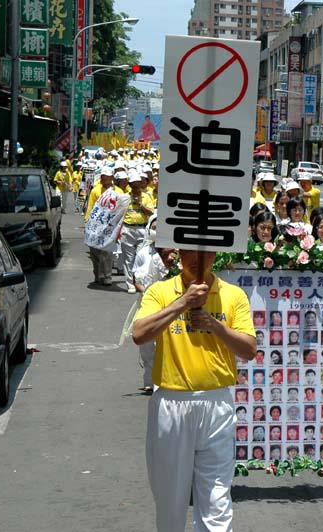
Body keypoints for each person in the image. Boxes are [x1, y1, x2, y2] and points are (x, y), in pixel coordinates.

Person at [132, 249, 257, 531]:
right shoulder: (160, 291)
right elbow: (139, 334)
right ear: (178, 252)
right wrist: (182, 303)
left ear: (216, 254)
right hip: (171, 403)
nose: (197, 258)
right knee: (170, 498)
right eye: (189, 250)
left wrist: (214, 325)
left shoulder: (233, 295)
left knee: (217, 497)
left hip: (217, 404)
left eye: (206, 251)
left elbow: (249, 349)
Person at [131, 214, 177, 393]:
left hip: (174, 309)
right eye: (155, 228)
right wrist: (148, 293)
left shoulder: (180, 258)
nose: (169, 258)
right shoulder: (146, 256)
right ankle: (150, 381)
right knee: (149, 347)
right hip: (151, 306)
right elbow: (137, 279)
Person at [85, 166, 124, 286]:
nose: (103, 178)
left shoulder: (119, 192)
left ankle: (107, 276)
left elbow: (122, 210)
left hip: (111, 226)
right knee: (94, 251)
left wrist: (120, 227)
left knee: (107, 251)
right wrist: (87, 222)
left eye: (106, 176)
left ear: (111, 178)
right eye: (102, 176)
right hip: (96, 225)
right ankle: (98, 275)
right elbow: (90, 207)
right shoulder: (95, 190)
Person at [121, 172, 155, 293]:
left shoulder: (146, 197)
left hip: (142, 229)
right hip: (127, 229)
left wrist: (140, 205)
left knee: (141, 256)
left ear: (141, 185)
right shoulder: (125, 197)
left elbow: (151, 212)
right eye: (133, 186)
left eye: (138, 185)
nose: (136, 188)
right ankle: (130, 284)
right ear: (130, 185)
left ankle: (139, 281)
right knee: (128, 258)